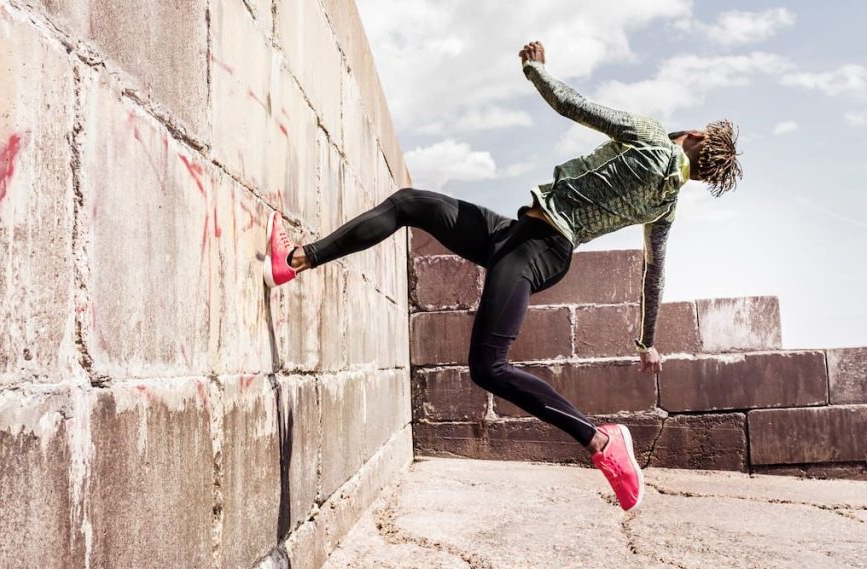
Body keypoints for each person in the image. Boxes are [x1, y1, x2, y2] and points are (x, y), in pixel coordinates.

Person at [260, 40, 742, 511]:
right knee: (411, 204)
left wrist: (536, 69)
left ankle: (600, 440)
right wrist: (646, 341)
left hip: (538, 247)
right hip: (518, 236)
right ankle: (296, 261)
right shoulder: (667, 205)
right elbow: (653, 271)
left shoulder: (653, 137)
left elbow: (572, 105)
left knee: (488, 366)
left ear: (696, 135)